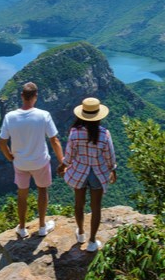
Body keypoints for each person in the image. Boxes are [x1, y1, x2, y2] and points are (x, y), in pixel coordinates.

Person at [0, 82, 64, 238]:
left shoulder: (10, 117)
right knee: (42, 191)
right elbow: (54, 141)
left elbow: (2, 142)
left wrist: (9, 157)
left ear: (22, 96)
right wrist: (62, 161)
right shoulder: (44, 115)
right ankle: (42, 227)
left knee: (22, 195)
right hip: (40, 162)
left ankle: (21, 228)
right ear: (35, 96)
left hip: (20, 163)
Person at [57, 97, 117, 252]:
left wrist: (62, 166)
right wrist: (113, 170)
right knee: (96, 207)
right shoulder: (105, 134)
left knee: (79, 204)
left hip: (79, 172)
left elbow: (69, 156)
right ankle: (92, 242)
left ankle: (81, 233)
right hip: (98, 174)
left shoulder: (74, 133)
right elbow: (110, 156)